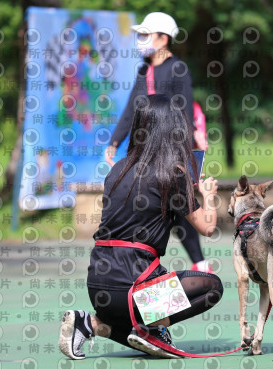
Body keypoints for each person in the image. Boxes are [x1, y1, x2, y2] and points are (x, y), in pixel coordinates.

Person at [60, 94, 222, 359]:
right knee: (212, 286)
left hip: (98, 287)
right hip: (136, 291)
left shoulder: (117, 170)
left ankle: (89, 322)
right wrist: (207, 194)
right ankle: (153, 328)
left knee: (136, 309)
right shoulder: (173, 173)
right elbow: (207, 226)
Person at [104, 12, 212, 273]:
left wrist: (184, 153)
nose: (140, 40)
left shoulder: (178, 69)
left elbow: (183, 110)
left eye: (145, 35)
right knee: (162, 206)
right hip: (144, 150)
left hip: (171, 150)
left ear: (163, 39)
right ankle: (147, 265)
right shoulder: (144, 69)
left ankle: (199, 263)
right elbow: (132, 108)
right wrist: (114, 142)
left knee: (178, 204)